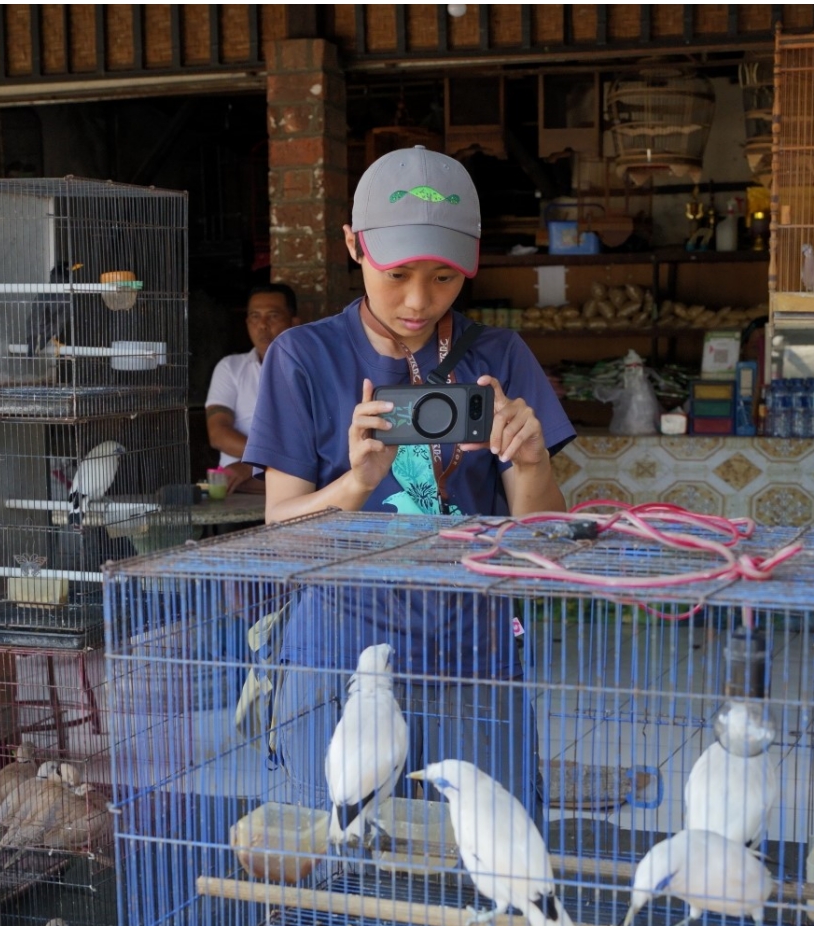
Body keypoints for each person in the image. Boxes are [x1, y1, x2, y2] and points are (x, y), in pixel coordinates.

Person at [241, 148, 575, 826]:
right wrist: (356, 483)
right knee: (335, 839)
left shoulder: (497, 358)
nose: (419, 300)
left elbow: (545, 544)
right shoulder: (304, 358)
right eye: (398, 274)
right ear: (353, 247)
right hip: (337, 642)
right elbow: (278, 532)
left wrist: (533, 461)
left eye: (445, 275)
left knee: (488, 838)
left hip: (469, 642)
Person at [204, 283, 299, 494]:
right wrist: (263, 463)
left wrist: (252, 465)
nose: (262, 325)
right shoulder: (230, 367)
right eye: (255, 316)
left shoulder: (309, 370)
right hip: (236, 487)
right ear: (247, 322)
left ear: (294, 322)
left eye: (273, 316)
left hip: (292, 482)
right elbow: (218, 433)